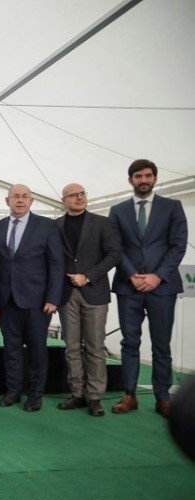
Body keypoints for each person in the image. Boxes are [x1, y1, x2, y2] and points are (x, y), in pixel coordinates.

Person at [108, 159, 188, 418]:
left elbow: (178, 245)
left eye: (148, 175)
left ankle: (163, 397)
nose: (143, 180)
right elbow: (115, 247)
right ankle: (129, 395)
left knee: (161, 344)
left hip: (162, 287)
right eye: (138, 176)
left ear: (155, 178)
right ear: (130, 180)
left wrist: (158, 276)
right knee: (129, 342)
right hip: (128, 286)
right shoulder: (117, 210)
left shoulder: (172, 207)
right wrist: (132, 274)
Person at [0, 184, 64, 412]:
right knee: (11, 349)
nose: (20, 200)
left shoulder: (47, 226)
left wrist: (53, 298)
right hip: (7, 301)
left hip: (38, 302)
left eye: (24, 197)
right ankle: (13, 392)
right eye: (15, 196)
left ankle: (35, 395)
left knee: (37, 351)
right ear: (7, 201)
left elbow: (56, 264)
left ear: (31, 201)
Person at [55, 183, 122, 417]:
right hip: (65, 293)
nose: (79, 198)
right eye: (73, 195)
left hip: (94, 291)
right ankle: (77, 393)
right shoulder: (55, 226)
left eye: (82, 193)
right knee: (72, 347)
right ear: (63, 200)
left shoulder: (103, 223)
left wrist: (88, 276)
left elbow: (114, 254)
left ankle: (94, 397)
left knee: (95, 347)